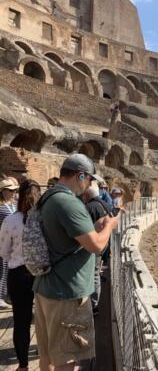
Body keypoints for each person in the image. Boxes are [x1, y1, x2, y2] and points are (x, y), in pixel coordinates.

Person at [32, 154, 119, 371]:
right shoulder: (68, 202)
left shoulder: (48, 197)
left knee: (48, 355)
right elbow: (97, 246)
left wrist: (95, 229)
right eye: (89, 179)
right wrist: (109, 225)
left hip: (46, 287)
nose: (90, 184)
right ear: (80, 175)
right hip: (67, 294)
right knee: (67, 359)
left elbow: (68, 239)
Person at [0, 179, 41, 371]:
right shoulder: (43, 219)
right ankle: (44, 354)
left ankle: (23, 365)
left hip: (19, 274)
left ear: (18, 195)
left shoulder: (11, 220)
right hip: (42, 274)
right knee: (44, 317)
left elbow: (3, 252)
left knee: (21, 321)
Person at [82, 182, 113, 314]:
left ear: (86, 195)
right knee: (95, 273)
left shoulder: (89, 207)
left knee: (93, 274)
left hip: (94, 245)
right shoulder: (104, 204)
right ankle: (94, 302)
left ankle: (93, 305)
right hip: (103, 243)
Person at [0, 178, 19, 309]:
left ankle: (5, 295)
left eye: (14, 190)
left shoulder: (13, 205)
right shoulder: (1, 207)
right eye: (10, 190)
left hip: (13, 243)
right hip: (2, 242)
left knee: (7, 269)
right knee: (2, 270)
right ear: (3, 191)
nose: (13, 193)